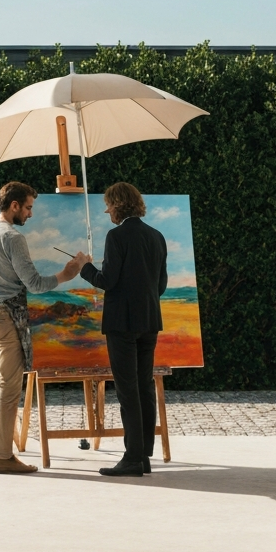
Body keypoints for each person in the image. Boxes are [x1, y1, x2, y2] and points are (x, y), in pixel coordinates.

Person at [0, 181, 86, 474]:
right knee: (8, 390)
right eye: (29, 207)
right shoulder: (12, 237)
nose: (31, 214)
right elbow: (34, 283)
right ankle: (5, 458)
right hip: (7, 318)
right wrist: (66, 274)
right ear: (15, 205)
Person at [79, 182, 168, 477]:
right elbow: (162, 285)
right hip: (149, 321)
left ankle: (132, 458)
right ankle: (142, 457)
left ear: (118, 205)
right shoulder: (156, 236)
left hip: (121, 324)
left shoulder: (116, 236)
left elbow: (108, 280)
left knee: (128, 389)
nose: (106, 210)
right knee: (143, 386)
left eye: (108, 205)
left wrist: (85, 268)